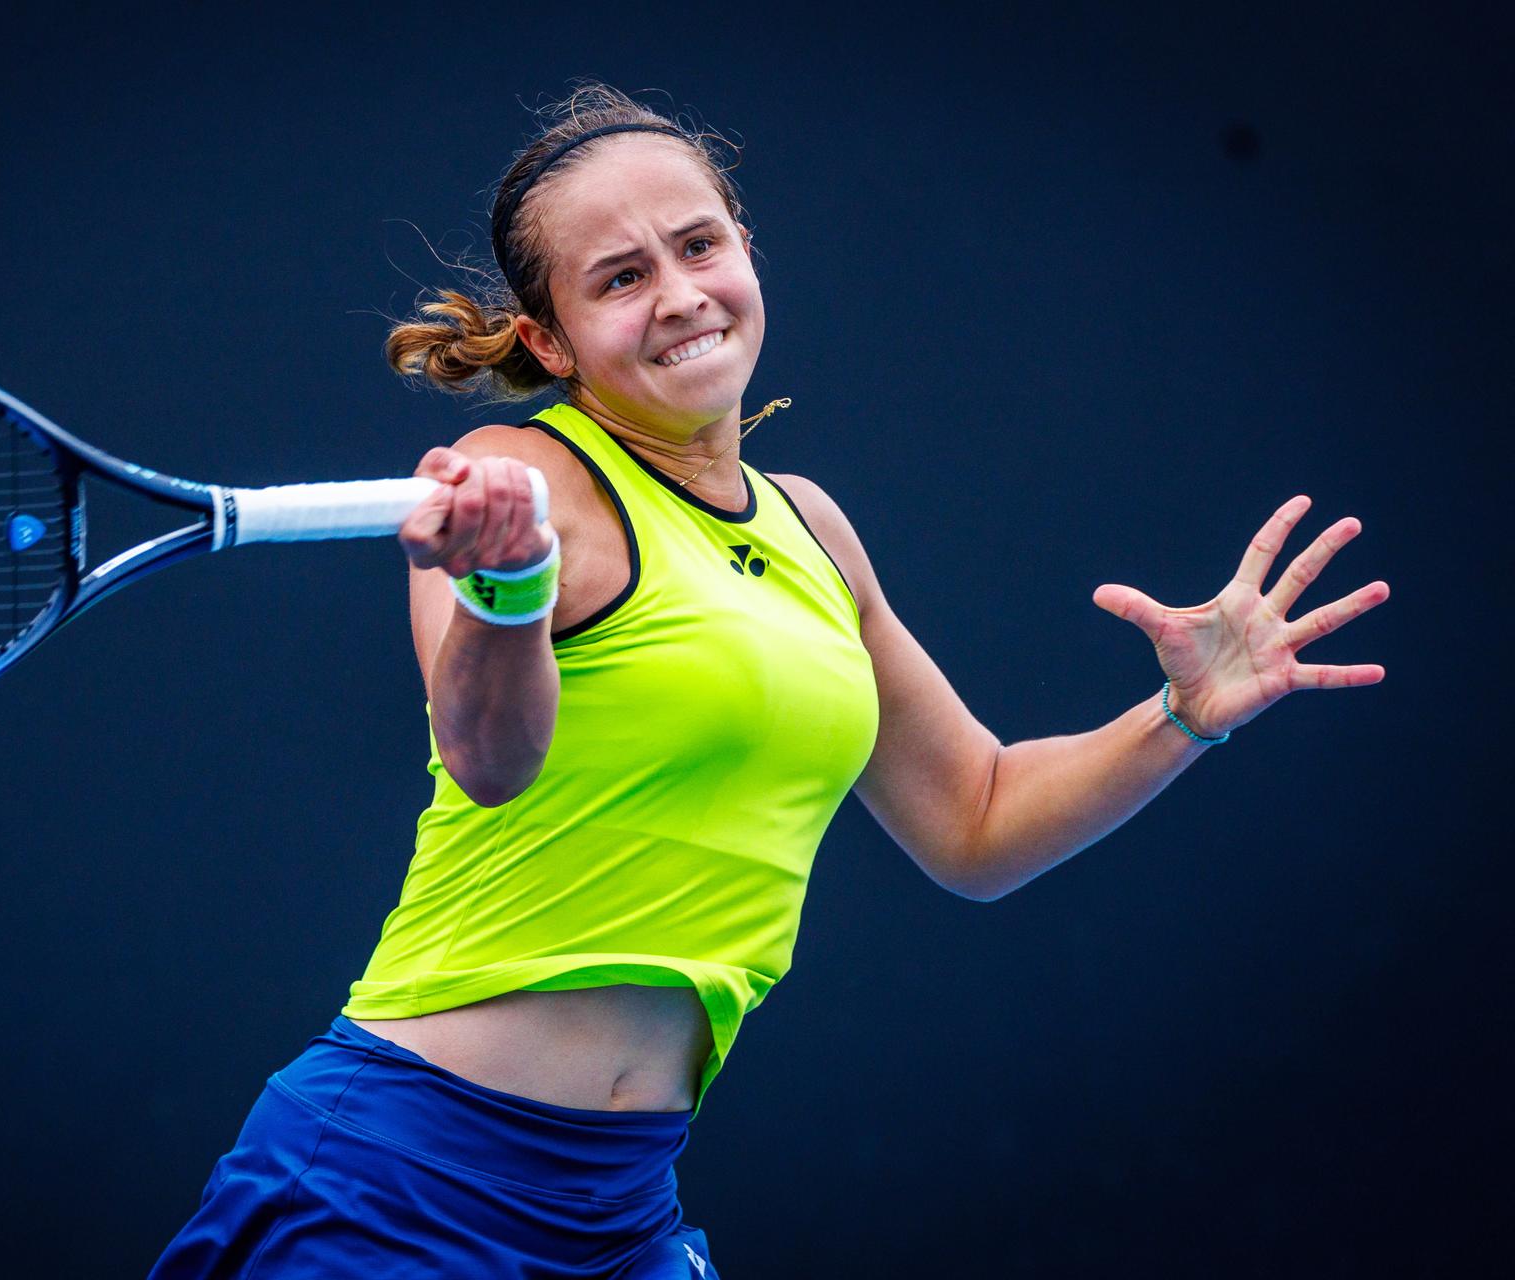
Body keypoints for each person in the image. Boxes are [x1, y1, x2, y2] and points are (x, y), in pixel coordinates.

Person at [147, 82, 1388, 1279]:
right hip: (401, 1173)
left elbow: (978, 819)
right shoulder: (520, 482)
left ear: (745, 246)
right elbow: (487, 757)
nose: (680, 295)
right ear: (549, 339)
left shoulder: (813, 529)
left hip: (625, 1204)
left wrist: (1181, 717)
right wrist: (508, 584)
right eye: (620, 277)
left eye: (699, 245)